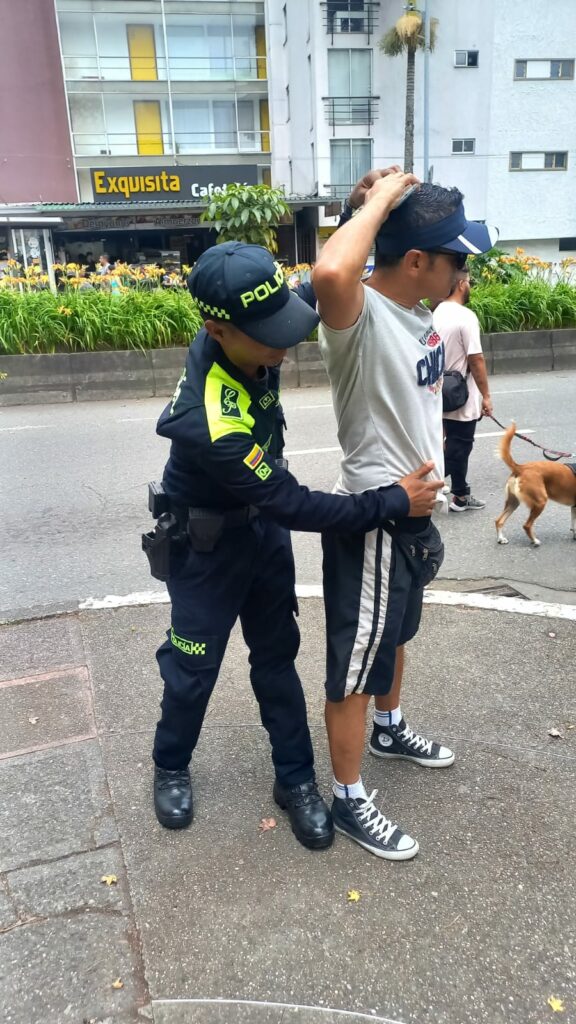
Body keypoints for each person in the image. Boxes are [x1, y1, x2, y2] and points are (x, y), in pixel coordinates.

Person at [147, 240, 441, 851]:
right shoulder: (210, 421)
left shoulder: (256, 322)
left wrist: (370, 204)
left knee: (277, 659)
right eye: (270, 334)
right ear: (217, 329)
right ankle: (171, 763)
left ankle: (297, 781)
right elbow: (298, 504)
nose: (287, 343)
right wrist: (392, 501)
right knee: (192, 670)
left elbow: (333, 272)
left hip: (261, 535)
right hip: (206, 548)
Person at [313, 171, 497, 860]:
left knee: (394, 638)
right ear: (418, 261)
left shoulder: (419, 311)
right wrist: (383, 202)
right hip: (376, 522)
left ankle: (388, 729)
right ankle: (349, 797)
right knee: (355, 665)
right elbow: (332, 267)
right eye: (456, 257)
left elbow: (365, 252)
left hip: (415, 522)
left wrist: (369, 208)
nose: (464, 270)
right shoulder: (359, 319)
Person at [433, 268, 493, 511]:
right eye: (469, 281)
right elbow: (476, 359)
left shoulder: (436, 312)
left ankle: (460, 494)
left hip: (438, 390)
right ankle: (420, 485)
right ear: (460, 284)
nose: (470, 286)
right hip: (461, 394)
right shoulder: (465, 316)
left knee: (448, 443)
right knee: (460, 446)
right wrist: (486, 396)